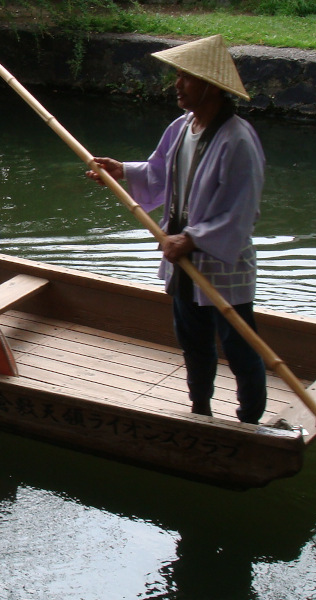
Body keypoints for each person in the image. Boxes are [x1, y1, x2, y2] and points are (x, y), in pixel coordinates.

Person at [85, 35, 267, 424]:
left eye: (186, 77)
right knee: (194, 343)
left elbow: (242, 212)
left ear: (210, 85)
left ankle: (250, 421)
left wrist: (193, 238)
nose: (177, 85)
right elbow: (158, 173)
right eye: (178, 76)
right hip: (181, 259)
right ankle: (200, 409)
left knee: (240, 347)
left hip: (222, 263)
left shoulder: (238, 140)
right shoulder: (182, 127)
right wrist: (123, 172)